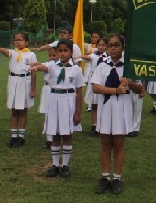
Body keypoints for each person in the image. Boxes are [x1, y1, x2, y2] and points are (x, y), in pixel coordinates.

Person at [91, 35, 143, 194]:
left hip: (122, 108)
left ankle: (117, 178)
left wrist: (130, 83)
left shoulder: (129, 67)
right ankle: (105, 177)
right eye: (110, 45)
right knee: (105, 143)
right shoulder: (102, 66)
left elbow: (141, 90)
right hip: (106, 108)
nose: (113, 48)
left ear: (123, 47)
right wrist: (115, 90)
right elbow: (96, 88)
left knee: (119, 145)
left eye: (117, 45)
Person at [30, 40, 84, 177]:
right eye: (60, 51)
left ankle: (65, 165)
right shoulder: (53, 66)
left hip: (68, 101)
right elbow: (44, 67)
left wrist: (78, 112)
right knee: (55, 134)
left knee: (67, 134)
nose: (63, 53)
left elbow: (79, 91)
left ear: (71, 52)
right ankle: (55, 164)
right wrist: (36, 66)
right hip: (54, 101)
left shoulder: (76, 70)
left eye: (66, 51)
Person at [0, 32, 37, 147]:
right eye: (16, 40)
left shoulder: (31, 55)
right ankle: (13, 135)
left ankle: (21, 136)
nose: (18, 42)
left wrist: (33, 89)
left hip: (25, 82)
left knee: (23, 110)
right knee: (14, 110)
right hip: (13, 81)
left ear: (26, 42)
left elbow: (34, 72)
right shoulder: (13, 53)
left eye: (20, 40)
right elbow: (6, 51)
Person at [83, 37, 108, 135]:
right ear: (96, 46)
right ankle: (94, 125)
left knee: (103, 104)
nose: (101, 47)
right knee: (94, 104)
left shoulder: (108, 58)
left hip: (104, 83)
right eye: (99, 45)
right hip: (94, 81)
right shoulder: (93, 55)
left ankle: (103, 125)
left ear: (106, 46)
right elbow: (86, 57)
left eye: (103, 45)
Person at [38, 47, 59, 149]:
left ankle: (57, 136)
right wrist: (35, 64)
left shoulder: (59, 65)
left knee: (56, 114)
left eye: (54, 55)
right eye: (50, 55)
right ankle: (49, 139)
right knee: (48, 115)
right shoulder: (49, 63)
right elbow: (43, 65)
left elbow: (45, 68)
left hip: (56, 89)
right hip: (47, 89)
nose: (51, 57)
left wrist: (36, 66)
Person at [83, 31, 102, 112]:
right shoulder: (89, 45)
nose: (94, 38)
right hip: (87, 67)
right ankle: (90, 105)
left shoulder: (99, 48)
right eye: (93, 37)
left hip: (94, 67)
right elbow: (80, 43)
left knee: (94, 85)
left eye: (96, 37)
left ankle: (95, 104)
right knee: (89, 86)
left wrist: (89, 52)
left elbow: (87, 54)